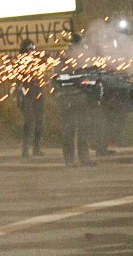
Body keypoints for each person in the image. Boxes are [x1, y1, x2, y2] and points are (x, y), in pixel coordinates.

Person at [55, 33, 96, 168]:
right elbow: (60, 79)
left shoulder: (83, 58)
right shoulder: (64, 59)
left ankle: (84, 158)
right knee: (69, 130)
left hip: (81, 98)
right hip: (68, 99)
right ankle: (69, 160)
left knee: (84, 129)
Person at [16, 39, 45, 158]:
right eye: (29, 49)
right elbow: (18, 82)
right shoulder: (20, 63)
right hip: (26, 95)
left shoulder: (36, 61)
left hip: (37, 93)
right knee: (29, 122)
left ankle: (36, 147)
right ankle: (25, 149)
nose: (31, 52)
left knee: (39, 121)